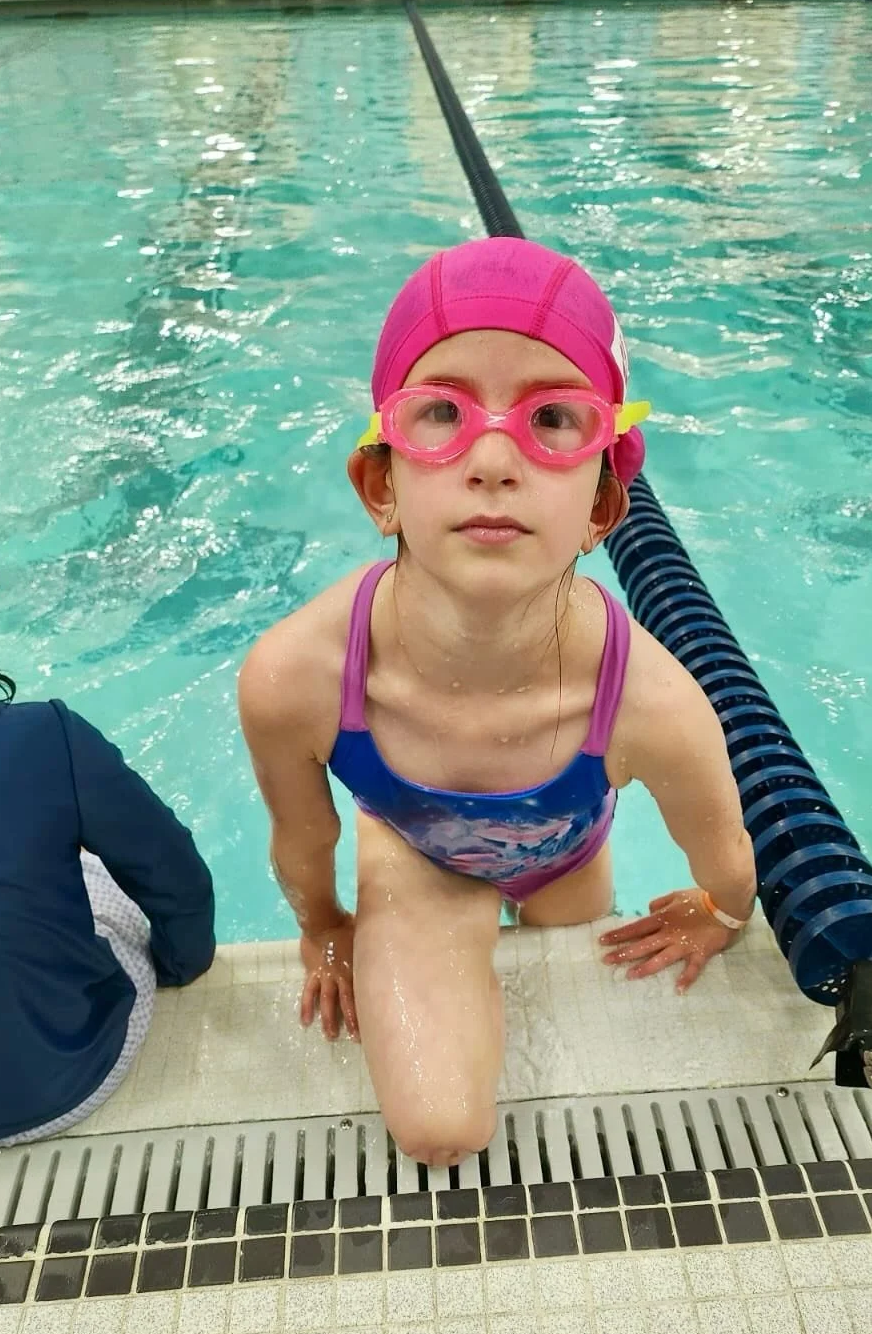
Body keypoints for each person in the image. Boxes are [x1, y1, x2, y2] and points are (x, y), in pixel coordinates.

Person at [239, 237, 756, 1168]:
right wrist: (324, 927)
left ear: (603, 509)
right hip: (412, 853)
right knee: (441, 1132)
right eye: (440, 411)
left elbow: (726, 863)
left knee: (581, 974)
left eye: (554, 418)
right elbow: (301, 839)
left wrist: (718, 913)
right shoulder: (299, 676)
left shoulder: (648, 703)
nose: (492, 459)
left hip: (566, 854)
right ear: (379, 484)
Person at [0, 409, 216, 1152]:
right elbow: (179, 886)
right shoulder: (45, 742)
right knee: (90, 869)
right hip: (67, 1076)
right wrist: (181, 967)